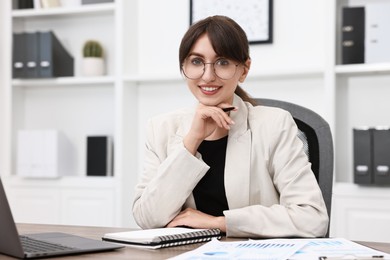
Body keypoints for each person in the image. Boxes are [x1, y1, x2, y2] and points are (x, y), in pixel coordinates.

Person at [132, 15, 329, 238]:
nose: (207, 76)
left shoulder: (275, 125)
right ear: (183, 67)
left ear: (244, 70)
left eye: (223, 62)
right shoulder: (161, 128)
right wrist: (192, 141)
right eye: (196, 61)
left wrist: (221, 222)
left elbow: (312, 218)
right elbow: (147, 219)